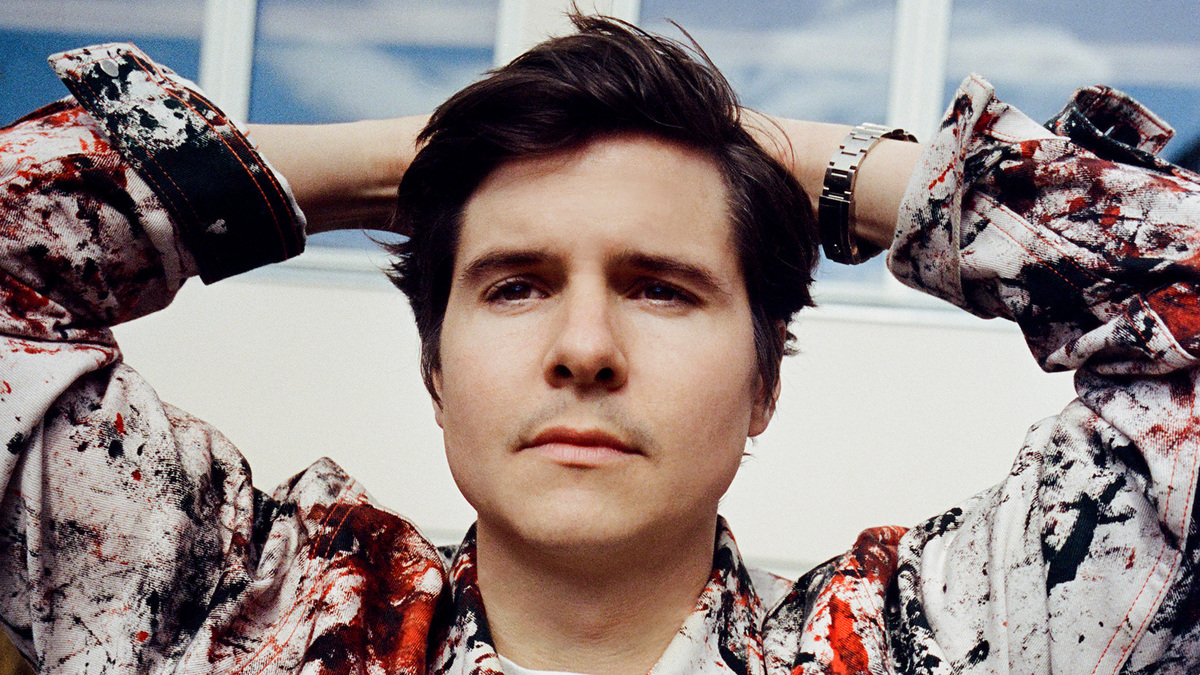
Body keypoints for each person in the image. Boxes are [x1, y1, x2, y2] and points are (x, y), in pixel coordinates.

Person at [0, 14, 1197, 675]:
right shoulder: (231, 611)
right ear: (434, 368)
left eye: (662, 289)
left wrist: (819, 172)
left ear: (765, 383)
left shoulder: (936, 644)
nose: (584, 348)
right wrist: (397, 165)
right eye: (516, 285)